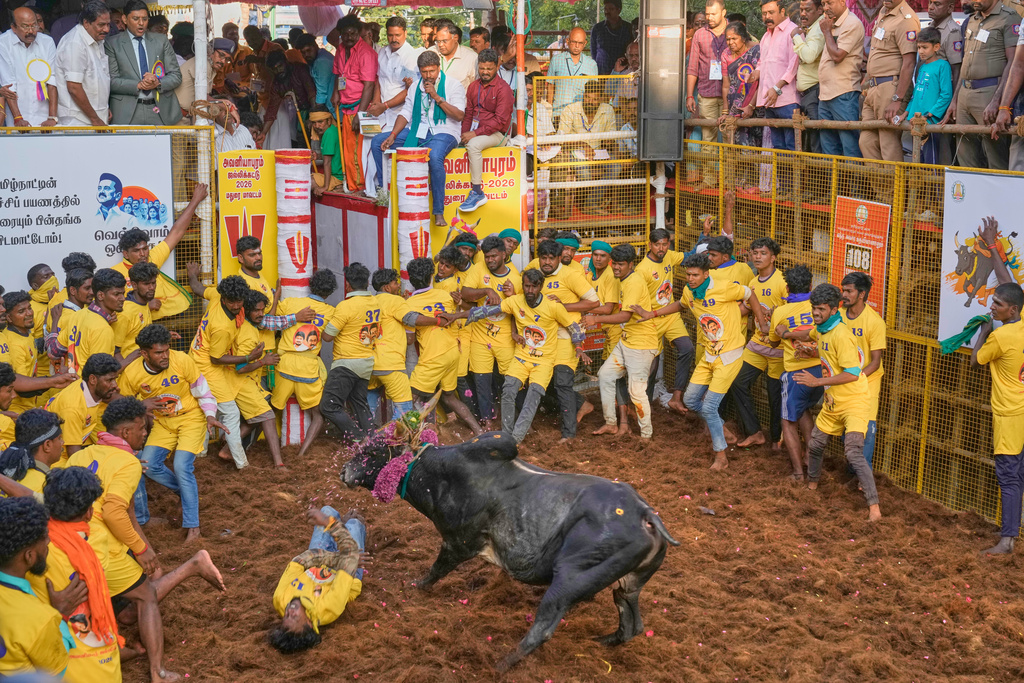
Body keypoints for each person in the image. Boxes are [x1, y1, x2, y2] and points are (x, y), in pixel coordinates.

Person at [67, 397, 227, 683]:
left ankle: (129, 643)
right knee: (146, 596)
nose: (146, 433)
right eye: (142, 428)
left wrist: (147, 550)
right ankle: (158, 672)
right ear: (127, 432)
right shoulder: (127, 462)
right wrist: (141, 550)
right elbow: (115, 512)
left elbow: (124, 509)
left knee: (127, 605)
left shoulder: (81, 454)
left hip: (68, 545)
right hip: (100, 551)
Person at [653, 252, 767, 470]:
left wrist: (760, 322)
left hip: (729, 356)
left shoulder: (724, 287)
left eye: (695, 275)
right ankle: (722, 428)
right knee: (691, 400)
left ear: (706, 274)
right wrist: (653, 313)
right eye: (688, 274)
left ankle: (721, 456)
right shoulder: (689, 291)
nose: (690, 278)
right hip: (708, 356)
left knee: (709, 407)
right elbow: (681, 304)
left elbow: (750, 294)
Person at [120, 324, 222, 543]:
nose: (165, 356)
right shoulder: (132, 373)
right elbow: (124, 405)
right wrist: (141, 405)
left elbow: (202, 390)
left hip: (191, 418)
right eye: (158, 352)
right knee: (146, 465)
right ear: (144, 354)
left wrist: (210, 415)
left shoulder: (182, 360)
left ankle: (193, 527)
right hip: (164, 424)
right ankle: (186, 494)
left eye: (166, 350)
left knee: (182, 466)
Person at [459, 268, 586, 443]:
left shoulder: (553, 306)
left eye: (534, 287)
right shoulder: (515, 301)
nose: (530, 291)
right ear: (523, 286)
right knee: (508, 391)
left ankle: (515, 440)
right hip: (521, 357)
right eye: (527, 286)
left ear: (540, 286)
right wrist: (456, 315)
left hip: (543, 362)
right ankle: (507, 434)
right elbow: (487, 311)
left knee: (532, 398)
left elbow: (574, 327)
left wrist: (579, 347)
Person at [794, 284, 882, 522]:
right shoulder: (822, 328)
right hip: (833, 400)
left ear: (834, 310)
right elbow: (816, 341)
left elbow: (854, 373)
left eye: (821, 309)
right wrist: (802, 346)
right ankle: (812, 486)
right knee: (815, 445)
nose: (816, 313)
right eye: (814, 308)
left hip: (854, 401)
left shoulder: (841, 335)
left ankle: (874, 507)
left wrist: (817, 382)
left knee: (853, 452)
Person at [34, 466, 122, 680]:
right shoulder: (96, 540)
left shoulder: (34, 551)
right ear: (89, 512)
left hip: (63, 665)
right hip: (104, 660)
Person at [189, 275, 278, 469]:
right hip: (206, 365)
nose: (237, 306)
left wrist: (191, 275)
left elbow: (198, 288)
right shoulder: (223, 327)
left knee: (205, 406)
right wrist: (250, 358)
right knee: (230, 412)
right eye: (232, 302)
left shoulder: (214, 296)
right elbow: (216, 358)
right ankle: (241, 463)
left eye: (240, 301)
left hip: (196, 354)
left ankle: (201, 453)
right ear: (223, 298)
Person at [372, 50, 466, 228]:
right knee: (378, 142)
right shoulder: (415, 87)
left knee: (435, 156)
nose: (428, 76)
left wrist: (437, 97)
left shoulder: (454, 85)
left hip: (445, 131)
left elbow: (459, 115)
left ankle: (438, 211)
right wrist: (392, 135)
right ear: (420, 71)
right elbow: (406, 113)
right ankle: (386, 194)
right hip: (418, 130)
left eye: (432, 71)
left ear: (439, 68)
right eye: (424, 72)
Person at [969, 282, 1024, 553]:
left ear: (1013, 309)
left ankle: (1007, 539)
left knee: (1008, 475)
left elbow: (975, 360)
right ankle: (1012, 531)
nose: (992, 307)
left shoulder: (1000, 338)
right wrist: (992, 246)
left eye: (998, 304)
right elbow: (1011, 284)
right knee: (1019, 473)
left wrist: (985, 332)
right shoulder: (1022, 321)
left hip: (1010, 415)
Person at [584, 244, 659, 439]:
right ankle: (611, 423)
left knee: (636, 393)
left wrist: (595, 318)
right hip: (627, 341)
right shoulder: (622, 279)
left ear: (631, 265)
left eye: (621, 264)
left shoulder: (634, 282)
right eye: (614, 263)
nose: (616, 267)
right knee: (606, 375)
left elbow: (625, 316)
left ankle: (646, 435)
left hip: (641, 344)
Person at [269, 506, 367, 653]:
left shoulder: (279, 600)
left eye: (285, 617)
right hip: (347, 573)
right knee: (354, 524)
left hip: (318, 560)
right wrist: (329, 523)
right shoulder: (329, 608)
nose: (289, 612)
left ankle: (339, 527)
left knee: (327, 510)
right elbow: (350, 553)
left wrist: (342, 558)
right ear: (309, 623)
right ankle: (348, 527)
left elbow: (300, 561)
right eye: (294, 618)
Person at [404, 258, 484, 435]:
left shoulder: (409, 304)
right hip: (453, 353)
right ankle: (478, 431)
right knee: (449, 397)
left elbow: (409, 340)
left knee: (409, 397)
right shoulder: (444, 296)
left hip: (433, 356)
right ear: (431, 276)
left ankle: (403, 436)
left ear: (410, 280)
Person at [110, 182, 207, 320]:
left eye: (145, 248)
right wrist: (144, 307)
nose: (143, 254)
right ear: (126, 254)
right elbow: (110, 306)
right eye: (137, 251)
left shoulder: (151, 259)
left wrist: (195, 199)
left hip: (170, 317)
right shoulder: (115, 274)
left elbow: (177, 232)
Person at [534, 238, 599, 442]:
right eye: (543, 258)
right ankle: (581, 403)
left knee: (562, 382)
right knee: (543, 383)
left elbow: (594, 302)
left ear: (559, 258)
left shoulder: (570, 275)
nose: (547, 262)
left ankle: (568, 434)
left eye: (551, 258)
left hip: (568, 336)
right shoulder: (534, 273)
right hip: (543, 337)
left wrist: (563, 306)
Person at [0, 497, 71, 678]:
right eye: (44, 538)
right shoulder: (39, 619)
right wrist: (60, 614)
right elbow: (53, 676)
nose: (48, 542)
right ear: (29, 557)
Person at [729, 238, 786, 449]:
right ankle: (754, 432)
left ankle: (776, 440)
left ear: (773, 257)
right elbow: (746, 309)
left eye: (762, 253)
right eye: (754, 253)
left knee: (775, 396)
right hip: (757, 344)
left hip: (779, 348)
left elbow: (793, 312)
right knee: (737, 381)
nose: (757, 257)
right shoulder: (752, 283)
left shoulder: (782, 282)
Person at [459, 235, 522, 425]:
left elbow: (521, 310)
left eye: (494, 256)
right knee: (482, 381)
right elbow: (465, 293)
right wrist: (487, 291)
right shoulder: (479, 269)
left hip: (505, 339)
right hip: (480, 336)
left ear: (503, 255)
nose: (490, 260)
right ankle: (487, 420)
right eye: (487, 256)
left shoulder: (515, 277)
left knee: (512, 381)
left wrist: (511, 297)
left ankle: (517, 419)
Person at [632, 229, 694, 415]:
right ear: (649, 245)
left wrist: (703, 234)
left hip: (670, 315)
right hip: (650, 319)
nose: (661, 248)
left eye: (665, 244)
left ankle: (676, 397)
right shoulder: (642, 269)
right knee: (651, 365)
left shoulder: (669, 256)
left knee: (687, 349)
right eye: (657, 244)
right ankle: (644, 407)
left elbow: (690, 256)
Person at [949, 0, 1017, 170]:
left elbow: (1013, 63)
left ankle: (999, 196)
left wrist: (998, 101)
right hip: (965, 92)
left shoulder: (1008, 18)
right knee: (965, 155)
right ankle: (971, 196)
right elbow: (965, 62)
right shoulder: (972, 19)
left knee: (995, 156)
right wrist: (955, 99)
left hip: (989, 92)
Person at [768, 265, 821, 479]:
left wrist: (776, 326)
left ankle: (799, 473)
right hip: (822, 371)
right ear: (811, 285)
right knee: (804, 410)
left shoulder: (781, 312)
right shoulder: (819, 308)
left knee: (787, 422)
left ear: (787, 288)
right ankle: (810, 458)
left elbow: (772, 341)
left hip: (796, 374)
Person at [320, 263, 380, 442]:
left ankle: (359, 438)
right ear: (367, 283)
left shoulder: (345, 306)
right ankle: (373, 439)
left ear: (347, 284)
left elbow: (327, 337)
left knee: (328, 406)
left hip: (346, 363)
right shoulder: (375, 303)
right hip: (366, 362)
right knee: (359, 404)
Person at [859, 0, 919, 162]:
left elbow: (909, 63)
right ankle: (882, 189)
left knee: (888, 144)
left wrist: (897, 99)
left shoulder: (906, 19)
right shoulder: (884, 11)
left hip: (891, 89)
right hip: (873, 88)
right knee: (866, 142)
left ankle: (896, 188)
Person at [105, 0, 182, 125]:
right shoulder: (112, 44)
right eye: (136, 19)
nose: (141, 23)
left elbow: (176, 75)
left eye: (145, 19)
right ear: (125, 19)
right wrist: (138, 85)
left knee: (162, 145)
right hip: (127, 113)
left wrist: (158, 83)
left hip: (161, 111)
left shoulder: (161, 41)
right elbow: (111, 80)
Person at [839, 273, 886, 468]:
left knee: (865, 428)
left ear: (861, 294)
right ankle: (852, 470)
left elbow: (875, 362)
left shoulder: (874, 322)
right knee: (846, 426)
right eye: (843, 290)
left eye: (849, 291)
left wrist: (856, 379)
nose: (844, 294)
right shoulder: (839, 316)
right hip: (843, 380)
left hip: (867, 382)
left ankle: (862, 475)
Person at [551, 79, 616, 217]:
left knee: (616, 166)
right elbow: (561, 139)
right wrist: (582, 144)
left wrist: (609, 144)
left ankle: (590, 203)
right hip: (575, 151)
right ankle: (587, 203)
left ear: (601, 99)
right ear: (584, 95)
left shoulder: (608, 109)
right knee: (584, 174)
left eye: (594, 99)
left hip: (599, 151)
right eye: (587, 97)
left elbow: (612, 136)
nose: (590, 101)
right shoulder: (571, 109)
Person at [459, 48, 513, 213]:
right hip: (478, 130)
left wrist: (473, 134)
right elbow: (468, 114)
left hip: (499, 134)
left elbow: (500, 121)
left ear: (497, 67)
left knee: (473, 145)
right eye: (482, 68)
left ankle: (477, 192)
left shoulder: (503, 89)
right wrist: (463, 134)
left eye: (489, 68)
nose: (485, 72)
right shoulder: (473, 87)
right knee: (458, 143)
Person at [46, 268, 125, 375]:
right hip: (86, 389)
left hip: (73, 386)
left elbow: (54, 351)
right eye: (116, 294)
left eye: (123, 293)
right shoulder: (102, 329)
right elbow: (100, 376)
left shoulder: (78, 315)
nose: (123, 298)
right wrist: (129, 360)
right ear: (101, 295)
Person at [330, 14, 377, 192]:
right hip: (345, 107)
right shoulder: (341, 49)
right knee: (348, 151)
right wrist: (335, 92)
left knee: (360, 152)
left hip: (362, 108)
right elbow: (338, 73)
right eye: (345, 34)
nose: (349, 37)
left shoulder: (366, 53)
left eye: (352, 34)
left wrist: (361, 114)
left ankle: (361, 186)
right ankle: (351, 183)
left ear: (359, 33)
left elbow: (369, 85)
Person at [44, 353, 119, 463]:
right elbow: (74, 456)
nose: (115, 385)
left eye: (115, 379)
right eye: (109, 380)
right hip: (58, 460)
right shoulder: (72, 409)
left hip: (78, 443)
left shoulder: (87, 388)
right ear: (93, 379)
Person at [817, 0, 864, 157]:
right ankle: (833, 183)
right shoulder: (832, 23)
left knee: (850, 148)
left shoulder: (852, 23)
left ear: (843, 2)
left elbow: (837, 56)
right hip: (825, 95)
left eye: (829, 3)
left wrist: (827, 32)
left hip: (844, 94)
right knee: (829, 151)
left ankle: (854, 183)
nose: (825, 8)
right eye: (823, 4)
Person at [53, 0, 111, 127]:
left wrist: (104, 109)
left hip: (95, 117)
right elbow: (74, 87)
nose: (106, 29)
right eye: (101, 25)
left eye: (108, 24)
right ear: (86, 23)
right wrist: (95, 118)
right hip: (78, 119)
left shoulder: (97, 38)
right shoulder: (74, 43)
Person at [0, 7, 58, 127]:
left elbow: (52, 80)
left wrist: (52, 117)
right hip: (18, 114)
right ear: (14, 28)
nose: (31, 31)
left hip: (45, 115)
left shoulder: (47, 42)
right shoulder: (3, 43)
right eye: (26, 26)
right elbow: (8, 84)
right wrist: (18, 118)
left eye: (34, 25)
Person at [903, 28, 952, 164]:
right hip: (916, 123)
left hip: (931, 123)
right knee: (918, 162)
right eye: (918, 47)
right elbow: (916, 95)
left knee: (933, 162)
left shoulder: (943, 65)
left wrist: (929, 115)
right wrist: (906, 113)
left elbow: (946, 95)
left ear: (936, 47)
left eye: (925, 47)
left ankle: (935, 187)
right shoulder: (922, 67)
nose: (921, 51)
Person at [370, 15, 421, 147]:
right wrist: (376, 103)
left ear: (405, 33)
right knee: (374, 148)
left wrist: (385, 105)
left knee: (391, 152)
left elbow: (410, 90)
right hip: (381, 114)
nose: (394, 39)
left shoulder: (411, 56)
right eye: (390, 35)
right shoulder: (382, 52)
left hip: (400, 116)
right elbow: (380, 81)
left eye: (397, 35)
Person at [756, 0, 800, 151]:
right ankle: (782, 177)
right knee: (778, 148)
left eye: (771, 13)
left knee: (791, 147)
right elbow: (762, 62)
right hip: (769, 102)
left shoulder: (793, 31)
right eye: (764, 13)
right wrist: (756, 72)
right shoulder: (765, 36)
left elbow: (793, 67)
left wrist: (776, 88)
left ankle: (794, 176)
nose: (767, 17)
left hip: (788, 101)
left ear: (782, 11)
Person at [927, 0, 962, 164]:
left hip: (943, 98)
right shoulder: (930, 27)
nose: (931, 7)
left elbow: (957, 70)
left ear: (950, 8)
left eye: (937, 4)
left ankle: (942, 186)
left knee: (942, 150)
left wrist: (953, 103)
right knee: (927, 148)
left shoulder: (952, 31)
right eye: (929, 2)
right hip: (928, 94)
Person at [0, 409, 65, 496]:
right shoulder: (45, 489)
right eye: (59, 438)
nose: (62, 443)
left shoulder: (7, 472)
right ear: (47, 445)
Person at [262, 49, 317, 150]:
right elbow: (272, 110)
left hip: (314, 108)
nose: (278, 71)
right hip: (299, 113)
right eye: (274, 69)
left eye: (280, 66)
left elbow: (312, 93)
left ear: (286, 62)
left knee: (314, 142)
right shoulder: (276, 83)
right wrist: (263, 133)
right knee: (300, 141)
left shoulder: (300, 70)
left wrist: (313, 116)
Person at [719, 21, 761, 149]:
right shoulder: (725, 54)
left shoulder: (757, 50)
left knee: (757, 141)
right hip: (735, 107)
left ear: (743, 38)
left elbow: (761, 81)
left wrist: (750, 105)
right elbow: (726, 85)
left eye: (734, 38)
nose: (730, 42)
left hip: (755, 104)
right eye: (728, 39)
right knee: (737, 144)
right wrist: (726, 112)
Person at [792, 0, 824, 153]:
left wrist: (796, 37)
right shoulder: (811, 29)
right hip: (808, 94)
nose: (803, 14)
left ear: (819, 10)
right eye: (801, 9)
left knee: (816, 142)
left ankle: (822, 176)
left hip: (814, 92)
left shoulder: (818, 28)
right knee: (810, 141)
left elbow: (809, 56)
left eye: (808, 10)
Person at [176, 37, 234, 121]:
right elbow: (203, 97)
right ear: (210, 51)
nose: (223, 61)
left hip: (186, 116)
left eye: (227, 59)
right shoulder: (203, 64)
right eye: (221, 55)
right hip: (178, 117)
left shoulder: (209, 65)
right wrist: (223, 104)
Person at [3, 291, 43, 413]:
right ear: (9, 318)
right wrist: (55, 381)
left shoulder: (25, 333)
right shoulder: (15, 344)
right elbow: (22, 389)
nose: (29, 313)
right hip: (17, 410)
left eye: (29, 308)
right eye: (21, 311)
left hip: (29, 406)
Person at [547, 26, 598, 120]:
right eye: (574, 42)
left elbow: (594, 92)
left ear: (585, 43)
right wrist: (549, 112)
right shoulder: (556, 60)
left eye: (580, 43)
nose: (577, 46)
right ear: (567, 41)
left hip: (581, 116)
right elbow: (550, 87)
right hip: (559, 114)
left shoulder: (592, 65)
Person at [113, 261, 161, 359]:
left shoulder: (143, 303)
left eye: (153, 283)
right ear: (134, 285)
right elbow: (114, 349)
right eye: (146, 284)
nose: (152, 287)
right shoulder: (125, 312)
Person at [428, 18, 478, 91]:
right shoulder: (430, 53)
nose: (441, 45)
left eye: (444, 41)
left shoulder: (471, 58)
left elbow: (477, 87)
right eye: (438, 41)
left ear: (455, 38)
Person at [592, 0, 636, 74]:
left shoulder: (628, 28)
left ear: (619, 10)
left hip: (622, 72)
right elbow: (593, 51)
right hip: (601, 72)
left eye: (611, 9)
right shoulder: (597, 28)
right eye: (605, 9)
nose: (607, 12)